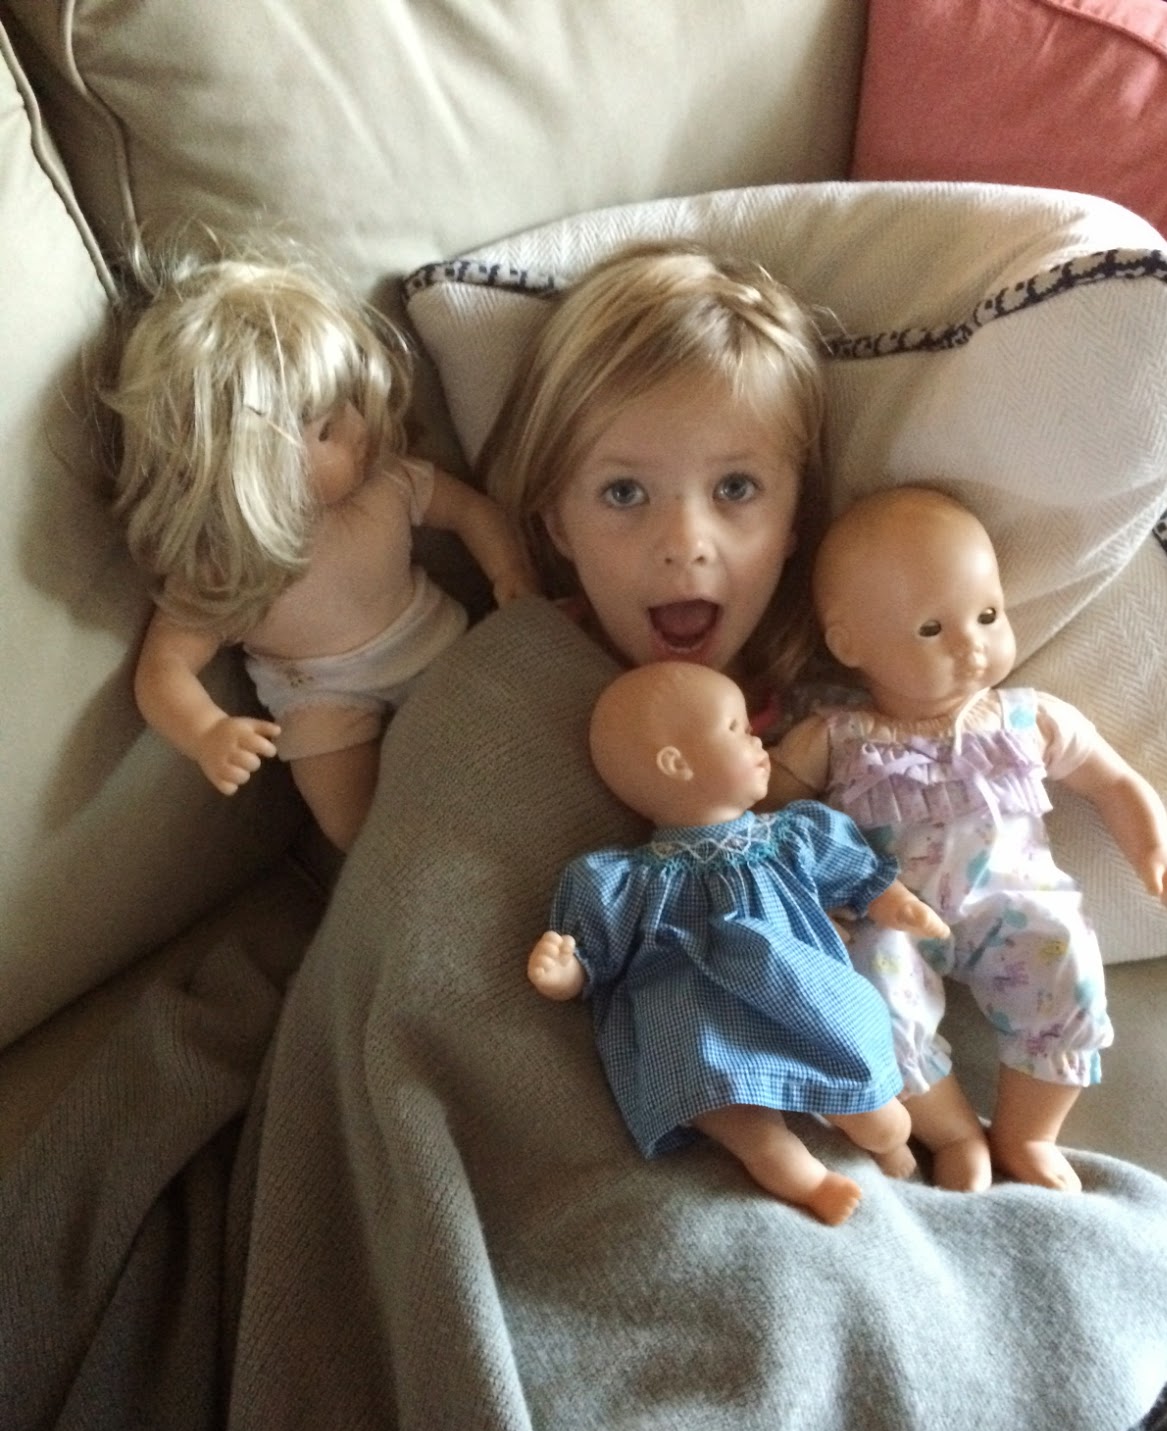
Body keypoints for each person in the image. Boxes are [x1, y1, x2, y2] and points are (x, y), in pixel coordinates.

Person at [770, 485, 1167, 1193]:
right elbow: (769, 810)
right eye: (932, 629)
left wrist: (1154, 852)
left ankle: (1028, 1133)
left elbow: (1114, 781)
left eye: (988, 615)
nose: (970, 644)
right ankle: (954, 1132)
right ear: (848, 643)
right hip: (889, 915)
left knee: (1069, 965)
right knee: (873, 1002)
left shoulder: (1027, 720)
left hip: (1016, 906)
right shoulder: (838, 738)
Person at [105, 246, 534, 850]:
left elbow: (472, 511)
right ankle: (387, 866)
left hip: (436, 647)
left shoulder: (387, 482)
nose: (361, 429)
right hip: (319, 696)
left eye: (351, 401)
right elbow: (163, 670)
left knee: (515, 738)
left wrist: (510, 570)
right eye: (328, 429)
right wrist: (206, 733)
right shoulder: (226, 565)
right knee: (349, 818)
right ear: (250, 474)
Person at [527, 660, 952, 1224]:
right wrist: (565, 975)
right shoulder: (627, 878)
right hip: (695, 1017)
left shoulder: (791, 835)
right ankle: (801, 1177)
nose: (758, 741)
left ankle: (887, 1139)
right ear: (676, 764)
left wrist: (897, 903)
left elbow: (856, 874)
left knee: (877, 1105)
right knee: (730, 1109)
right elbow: (595, 955)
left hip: (799, 994)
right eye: (737, 729)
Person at [483, 240, 826, 729]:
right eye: (624, 492)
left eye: (735, 487)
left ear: (795, 514)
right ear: (558, 523)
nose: (685, 545)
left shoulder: (831, 721)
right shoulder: (512, 685)